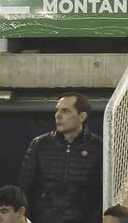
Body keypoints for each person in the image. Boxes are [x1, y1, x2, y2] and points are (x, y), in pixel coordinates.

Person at [17, 93, 103, 223]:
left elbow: (103, 193)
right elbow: (23, 188)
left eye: (66, 111)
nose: (58, 115)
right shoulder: (40, 144)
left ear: (82, 116)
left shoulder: (98, 147)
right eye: (57, 110)